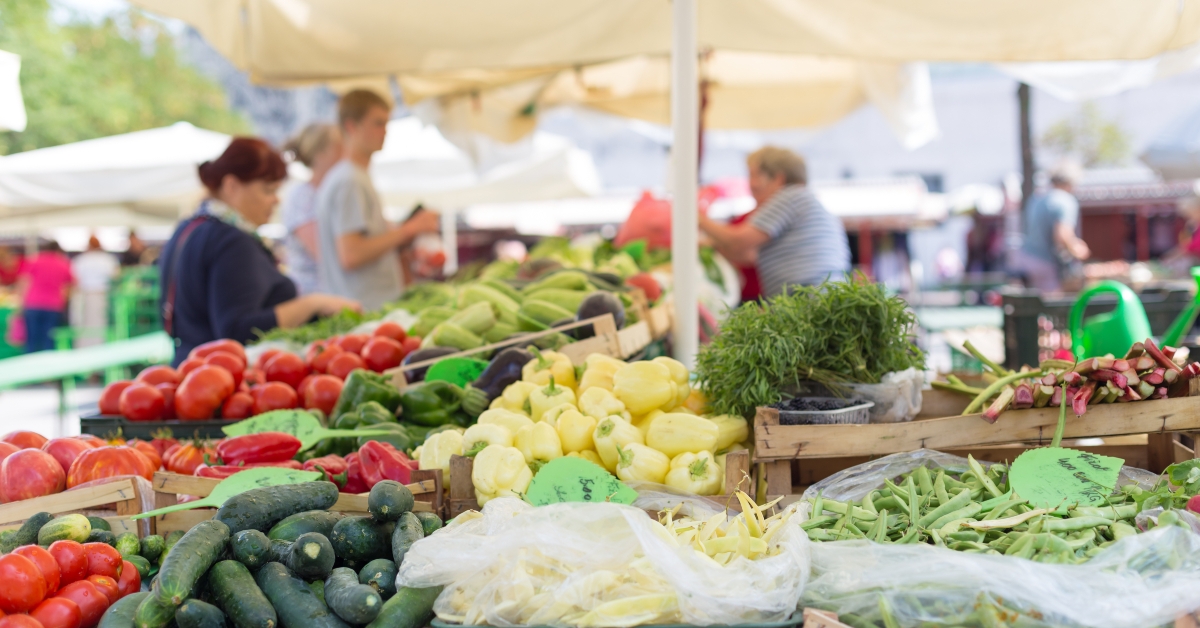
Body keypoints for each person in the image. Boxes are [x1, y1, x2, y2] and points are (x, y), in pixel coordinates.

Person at [159, 138, 360, 365]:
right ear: (231, 185)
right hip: (222, 379)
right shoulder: (231, 240)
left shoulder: (189, 228)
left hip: (189, 371)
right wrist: (314, 303)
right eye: (268, 190)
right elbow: (237, 331)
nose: (276, 200)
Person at [314, 89, 441, 311]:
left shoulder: (353, 177)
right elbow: (351, 254)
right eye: (378, 123)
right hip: (366, 310)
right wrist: (409, 230)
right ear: (352, 126)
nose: (385, 132)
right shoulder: (349, 181)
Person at [698, 146, 850, 297]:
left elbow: (737, 241)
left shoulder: (789, 197)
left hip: (809, 297)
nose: (751, 185)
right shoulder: (806, 202)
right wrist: (711, 244)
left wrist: (696, 217)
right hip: (823, 296)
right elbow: (749, 255)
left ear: (778, 179)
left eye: (755, 176)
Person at [1009, 162, 1090, 293]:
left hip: (1024, 258)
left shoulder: (1037, 198)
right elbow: (1062, 235)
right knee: (1051, 306)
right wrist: (1078, 249)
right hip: (1045, 263)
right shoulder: (1065, 201)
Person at [282, 124, 343, 295]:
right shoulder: (302, 197)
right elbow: (323, 253)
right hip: (313, 295)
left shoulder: (329, 193)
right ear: (320, 154)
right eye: (339, 147)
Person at [18, 240, 73, 353]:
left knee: (31, 340)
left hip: (33, 303)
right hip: (53, 305)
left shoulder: (35, 260)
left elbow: (24, 282)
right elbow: (70, 286)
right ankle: (48, 368)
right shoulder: (63, 263)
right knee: (49, 340)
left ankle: (30, 366)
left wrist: (21, 302)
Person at [70, 235, 119, 347]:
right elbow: (115, 275)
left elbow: (74, 279)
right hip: (98, 295)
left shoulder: (81, 259)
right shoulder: (107, 259)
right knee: (98, 325)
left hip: (86, 295)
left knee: (85, 326)